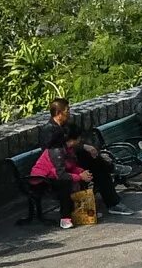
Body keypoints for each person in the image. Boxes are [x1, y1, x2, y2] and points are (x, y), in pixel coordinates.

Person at [30, 97, 98, 228]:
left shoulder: (68, 149)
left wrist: (81, 172)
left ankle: (81, 211)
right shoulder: (57, 150)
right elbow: (60, 174)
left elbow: (71, 165)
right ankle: (65, 218)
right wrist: (78, 176)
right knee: (65, 183)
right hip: (41, 179)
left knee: (81, 177)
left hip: (54, 173)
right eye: (67, 110)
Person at [61, 97, 124, 215]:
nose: (69, 112)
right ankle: (110, 167)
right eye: (67, 110)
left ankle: (113, 203)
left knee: (98, 168)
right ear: (59, 113)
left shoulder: (67, 126)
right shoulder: (51, 130)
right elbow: (58, 152)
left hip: (74, 162)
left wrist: (87, 148)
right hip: (63, 167)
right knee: (97, 165)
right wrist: (80, 172)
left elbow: (78, 141)